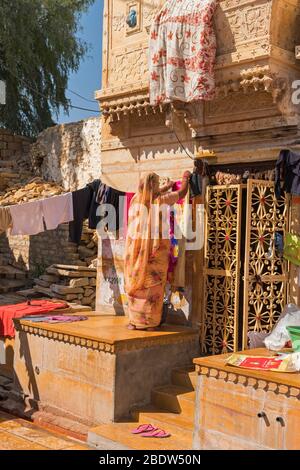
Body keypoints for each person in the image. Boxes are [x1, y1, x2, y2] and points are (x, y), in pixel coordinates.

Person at [124, 171, 191, 331]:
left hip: (134, 255)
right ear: (153, 186)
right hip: (155, 255)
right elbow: (182, 192)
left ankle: (134, 321)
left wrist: (165, 186)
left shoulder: (135, 200)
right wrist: (185, 179)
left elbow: (151, 193)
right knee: (152, 288)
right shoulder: (161, 200)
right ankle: (150, 323)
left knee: (137, 286)